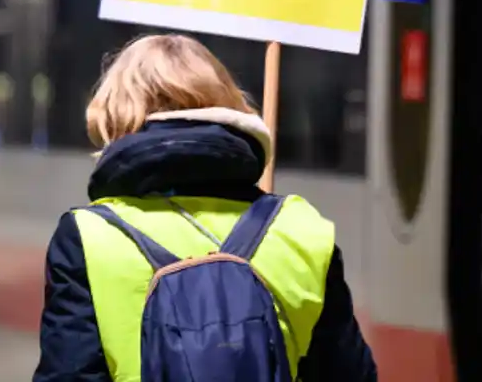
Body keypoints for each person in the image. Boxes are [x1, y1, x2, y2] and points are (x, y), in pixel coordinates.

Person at [33, 34, 377, 381]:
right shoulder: (300, 229)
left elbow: (69, 374)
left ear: (114, 116)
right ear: (230, 107)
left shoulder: (89, 236)